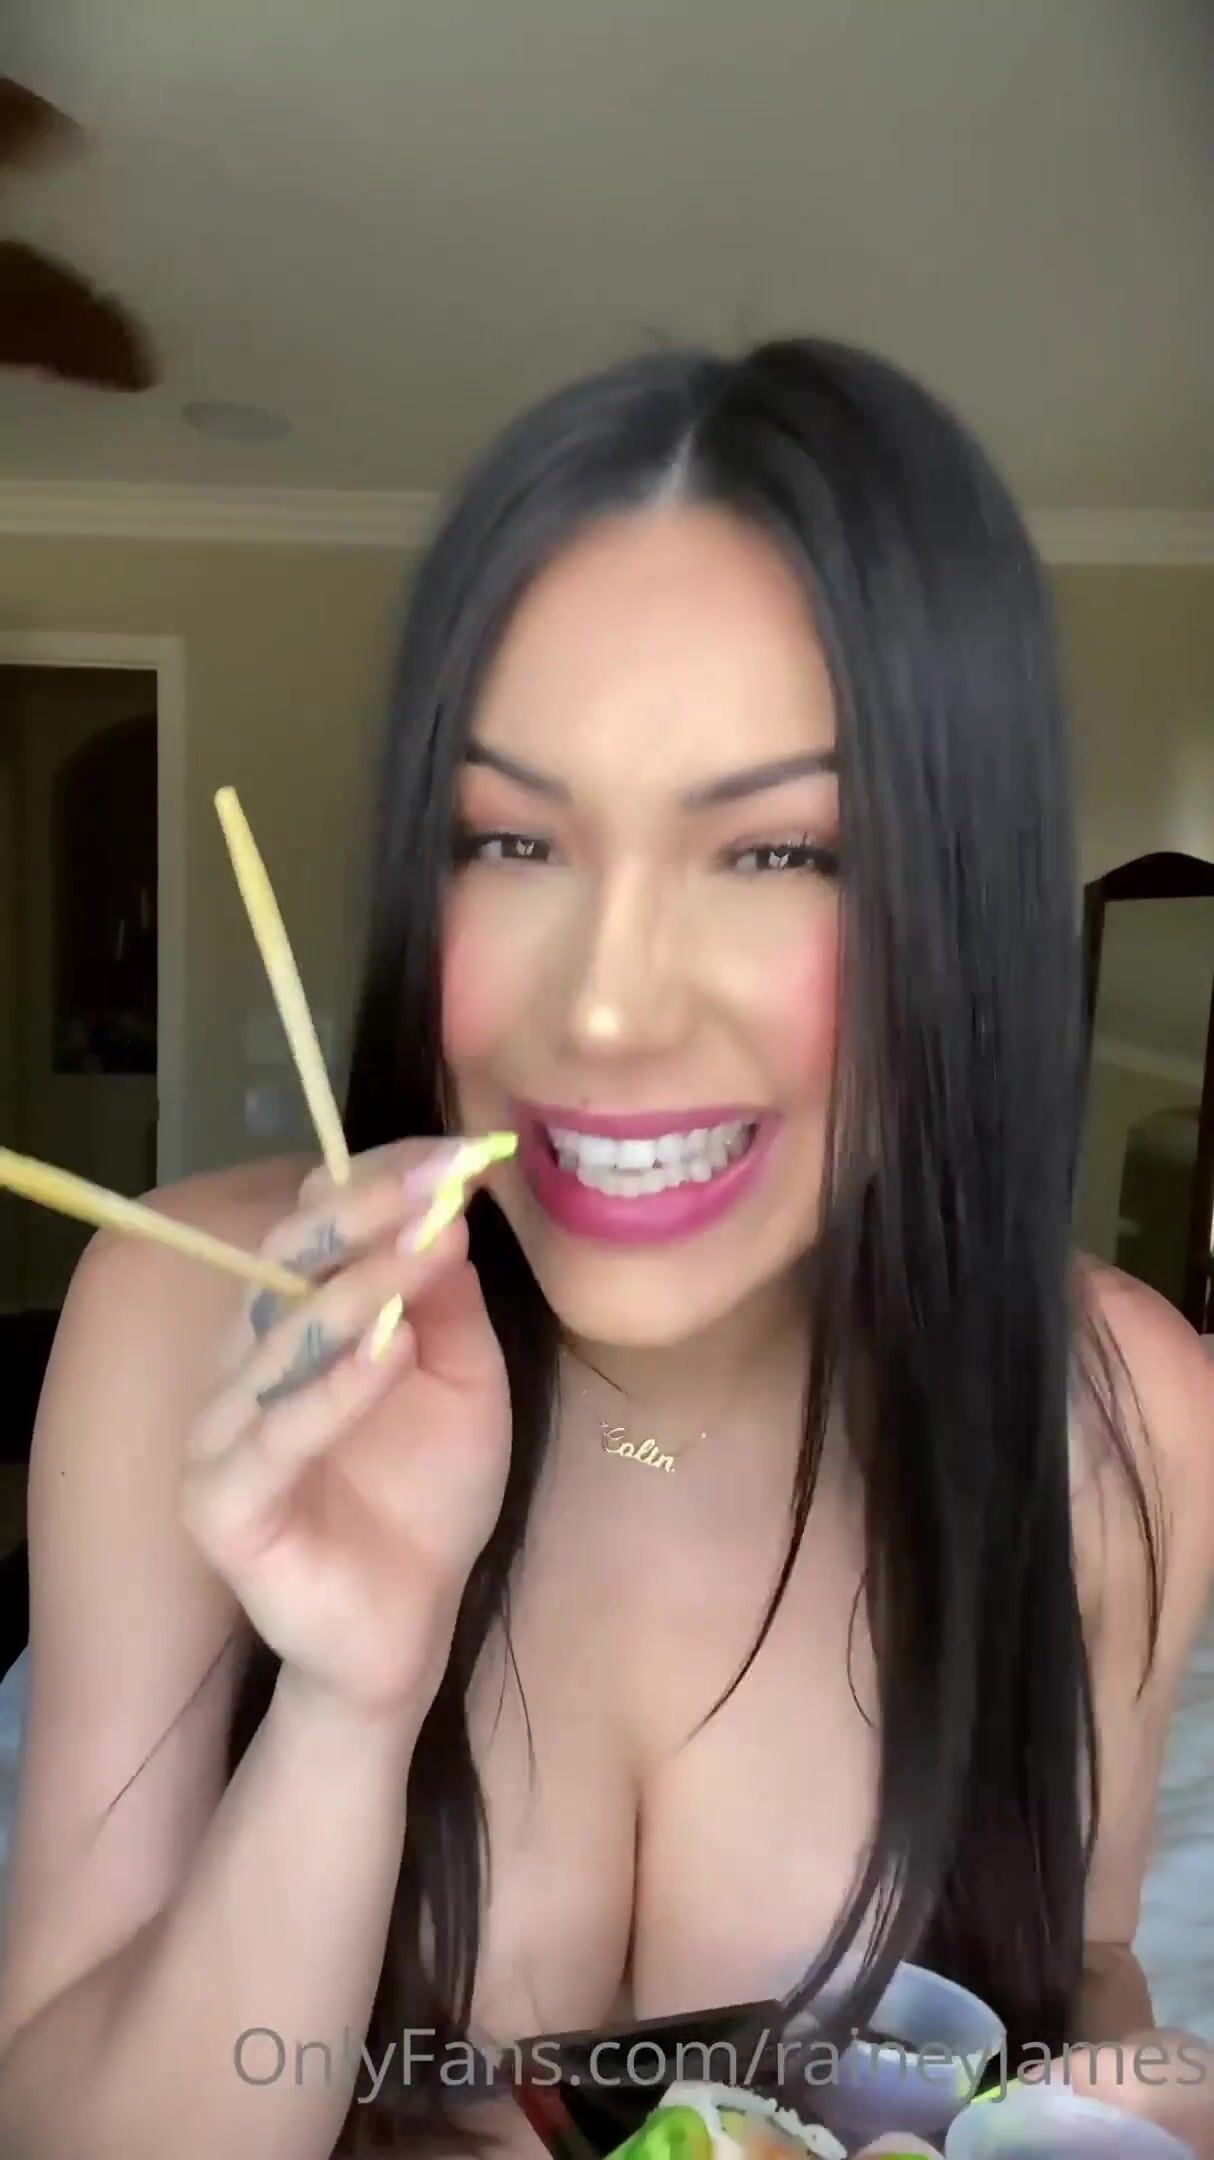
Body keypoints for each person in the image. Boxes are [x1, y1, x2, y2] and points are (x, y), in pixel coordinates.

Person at [0, 337, 1210, 2160]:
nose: (607, 1011)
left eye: (780, 853)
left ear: (964, 894)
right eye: (509, 839)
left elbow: (1087, 1964)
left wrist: (1130, 2088)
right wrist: (347, 1707)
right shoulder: (197, 1311)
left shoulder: (1118, 1411)